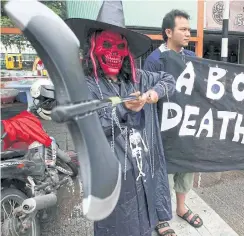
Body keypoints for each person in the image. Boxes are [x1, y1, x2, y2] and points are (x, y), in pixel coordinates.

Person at [65, 1, 176, 235]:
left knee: (144, 223)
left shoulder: (136, 79)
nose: (114, 53)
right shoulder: (85, 86)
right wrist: (123, 109)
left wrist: (154, 93)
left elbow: (168, 78)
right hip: (114, 178)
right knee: (117, 227)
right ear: (93, 47)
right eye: (107, 44)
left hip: (142, 172)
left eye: (119, 46)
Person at [143, 9, 203, 236]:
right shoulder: (154, 60)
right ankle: (160, 216)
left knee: (185, 169)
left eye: (189, 29)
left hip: (186, 127)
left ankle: (180, 208)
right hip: (161, 130)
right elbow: (148, 95)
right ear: (168, 32)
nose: (188, 33)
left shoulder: (192, 58)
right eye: (183, 29)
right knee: (161, 174)